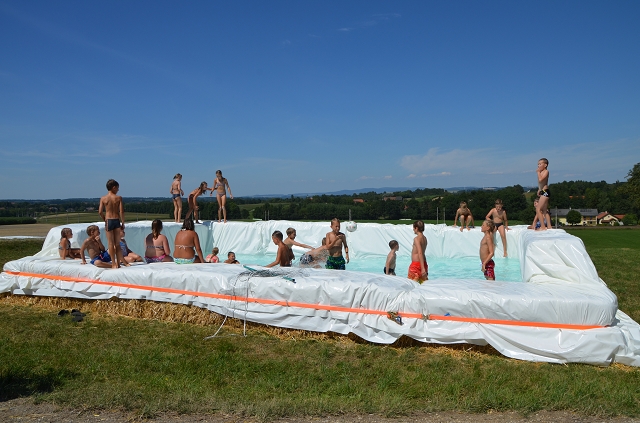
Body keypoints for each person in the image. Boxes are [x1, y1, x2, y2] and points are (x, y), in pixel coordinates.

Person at [98, 179, 128, 269]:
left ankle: (114, 263)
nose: (118, 190)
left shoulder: (103, 198)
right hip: (116, 220)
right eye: (117, 188)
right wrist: (123, 222)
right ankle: (118, 263)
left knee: (110, 243)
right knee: (117, 243)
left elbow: (100, 212)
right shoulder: (118, 198)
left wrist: (105, 219)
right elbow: (121, 211)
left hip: (109, 220)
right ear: (113, 187)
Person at [536, 158, 552, 231]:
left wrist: (538, 172)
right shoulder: (542, 172)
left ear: (545, 165)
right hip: (543, 191)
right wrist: (539, 190)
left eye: (540, 164)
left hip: (545, 192)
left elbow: (541, 180)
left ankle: (543, 226)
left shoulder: (546, 171)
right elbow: (541, 183)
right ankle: (549, 226)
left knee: (538, 209)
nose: (538, 166)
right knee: (545, 210)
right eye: (538, 164)